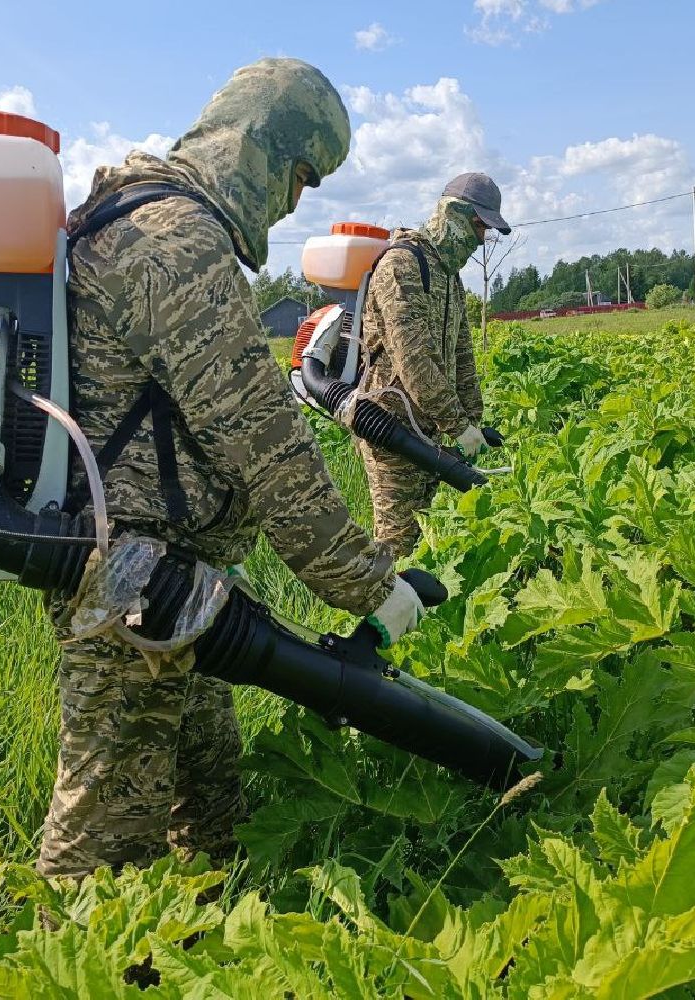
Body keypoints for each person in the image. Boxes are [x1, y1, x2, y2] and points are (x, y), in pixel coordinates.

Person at [39, 58, 426, 879]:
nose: (293, 203)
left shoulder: (146, 219)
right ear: (265, 148)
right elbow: (264, 441)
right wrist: (369, 585)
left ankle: (213, 927)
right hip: (131, 582)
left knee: (210, 797)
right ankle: (66, 947)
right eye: (300, 177)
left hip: (177, 578)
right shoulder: (171, 241)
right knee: (105, 841)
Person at [357, 173, 511, 557]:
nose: (481, 240)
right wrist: (457, 425)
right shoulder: (401, 267)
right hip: (391, 432)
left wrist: (472, 421)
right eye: (479, 226)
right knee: (397, 544)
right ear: (453, 215)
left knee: (427, 539)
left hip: (429, 434)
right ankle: (383, 595)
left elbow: (462, 354)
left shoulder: (448, 276)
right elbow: (414, 359)